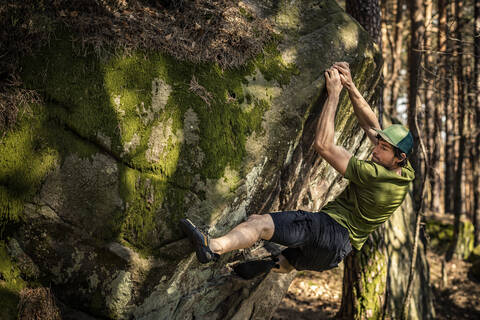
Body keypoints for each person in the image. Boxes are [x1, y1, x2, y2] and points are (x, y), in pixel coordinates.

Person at [180, 62, 415, 278]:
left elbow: (324, 146)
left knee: (258, 222)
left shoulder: (374, 176)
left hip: (328, 229)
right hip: (336, 253)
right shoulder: (404, 172)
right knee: (289, 260)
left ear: (398, 157)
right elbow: (372, 125)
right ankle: (267, 266)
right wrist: (351, 87)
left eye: (383, 148)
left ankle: (213, 247)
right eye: (380, 144)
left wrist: (334, 95)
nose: (375, 150)